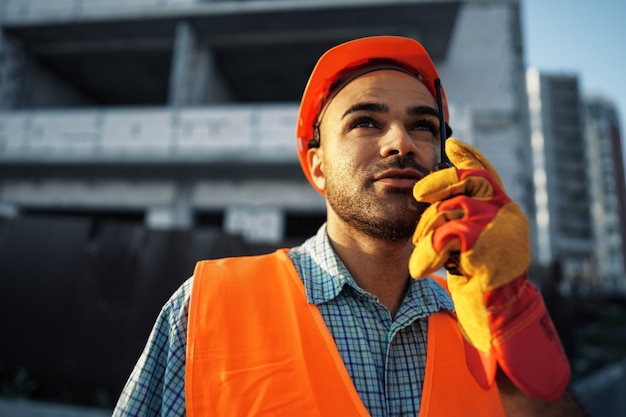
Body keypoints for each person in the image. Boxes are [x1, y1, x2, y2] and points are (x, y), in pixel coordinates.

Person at [112, 36, 586, 416]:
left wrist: (511, 314)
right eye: (365, 122)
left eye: (424, 126)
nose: (401, 143)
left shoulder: (487, 316)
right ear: (317, 167)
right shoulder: (205, 308)